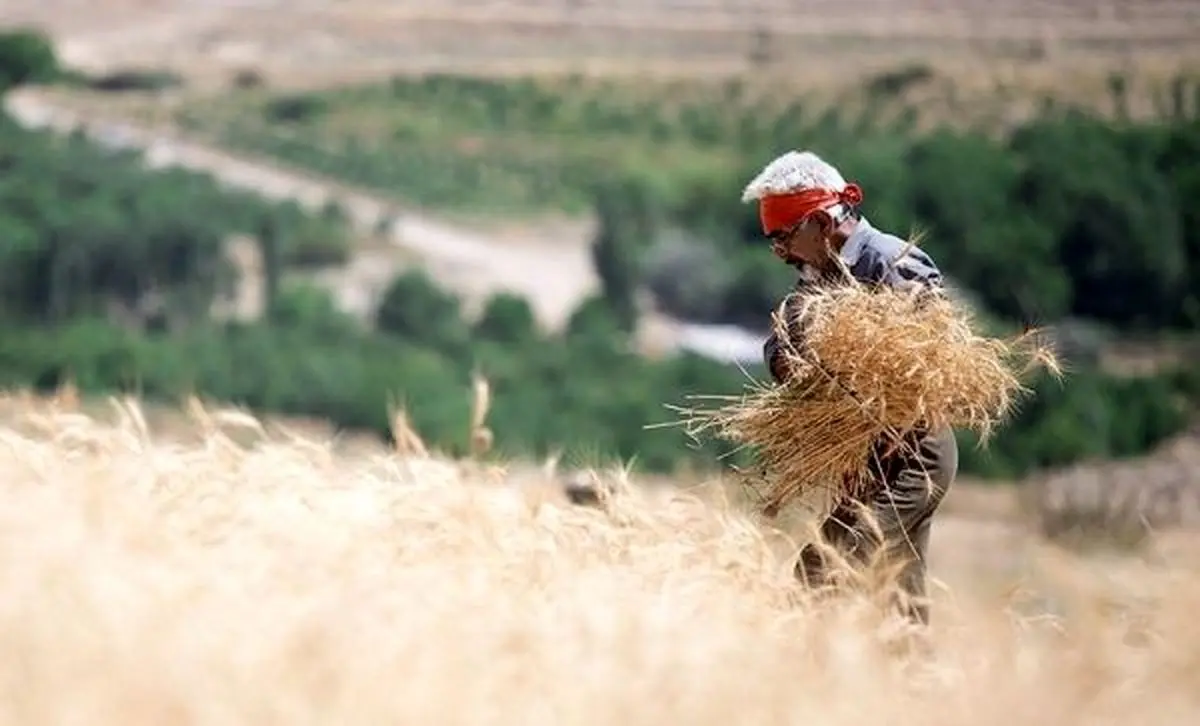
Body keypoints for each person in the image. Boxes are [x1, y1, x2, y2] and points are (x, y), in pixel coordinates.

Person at [741, 150, 959, 626]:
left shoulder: (891, 261)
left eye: (783, 236)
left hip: (914, 453)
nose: (779, 252)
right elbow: (779, 347)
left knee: (832, 569)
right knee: (895, 593)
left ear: (821, 222)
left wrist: (888, 408)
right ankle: (911, 668)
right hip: (869, 459)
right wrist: (794, 361)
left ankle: (814, 664)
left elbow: (936, 357)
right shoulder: (815, 275)